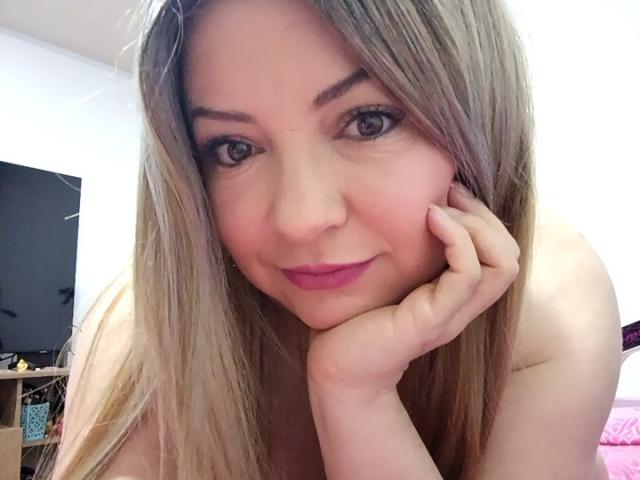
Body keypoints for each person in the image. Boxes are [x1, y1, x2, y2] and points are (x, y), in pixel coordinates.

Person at [47, 0, 622, 478]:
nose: (301, 218)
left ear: (480, 121)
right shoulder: (146, 333)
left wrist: (355, 395)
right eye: (235, 149)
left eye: (369, 122)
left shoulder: (552, 301)